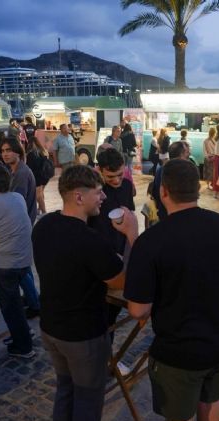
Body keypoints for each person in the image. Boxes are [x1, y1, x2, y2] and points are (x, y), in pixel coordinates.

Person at [124, 159, 219, 421]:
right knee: (212, 400)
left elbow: (138, 309)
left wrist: (132, 237)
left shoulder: (151, 241)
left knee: (181, 418)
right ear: (198, 189)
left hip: (182, 350)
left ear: (163, 192)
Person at [32, 165, 138, 421]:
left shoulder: (44, 225)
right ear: (79, 197)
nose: (104, 196)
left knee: (66, 389)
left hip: (51, 327)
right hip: (83, 335)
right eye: (98, 192)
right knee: (88, 400)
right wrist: (132, 235)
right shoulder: (89, 241)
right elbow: (122, 281)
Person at [0, 165, 35, 358]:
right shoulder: (18, 197)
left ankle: (24, 346)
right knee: (12, 299)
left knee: (8, 303)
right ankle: (23, 331)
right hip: (25, 257)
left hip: (6, 262)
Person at [88, 148, 135, 375]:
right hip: (98, 259)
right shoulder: (93, 191)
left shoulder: (126, 186)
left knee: (112, 313)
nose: (116, 181)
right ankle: (102, 360)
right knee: (100, 314)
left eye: (119, 174)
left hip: (120, 255)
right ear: (99, 170)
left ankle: (106, 358)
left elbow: (130, 214)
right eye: (110, 177)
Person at [0, 137, 40, 318]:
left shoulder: (21, 173)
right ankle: (32, 298)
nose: (5, 154)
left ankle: (35, 304)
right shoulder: (15, 171)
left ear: (18, 151)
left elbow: (17, 203)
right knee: (23, 267)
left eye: (9, 150)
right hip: (22, 224)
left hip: (20, 226)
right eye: (3, 151)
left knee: (20, 269)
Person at [152, 141, 191, 221]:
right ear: (181, 154)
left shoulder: (161, 169)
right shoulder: (184, 171)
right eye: (187, 152)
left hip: (164, 213)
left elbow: (155, 193)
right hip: (179, 215)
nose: (189, 154)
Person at [26, 136, 53, 216]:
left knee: (38, 195)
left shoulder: (31, 154)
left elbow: (29, 166)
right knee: (40, 194)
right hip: (45, 176)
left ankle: (44, 212)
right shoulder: (42, 151)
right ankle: (39, 209)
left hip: (37, 177)